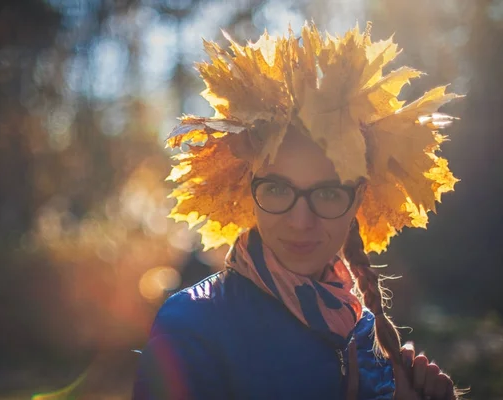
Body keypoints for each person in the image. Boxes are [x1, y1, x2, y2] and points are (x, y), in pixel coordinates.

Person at [133, 22, 463, 400]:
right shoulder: (193, 328)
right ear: (248, 188)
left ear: (357, 199)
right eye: (276, 188)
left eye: (326, 193)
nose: (300, 221)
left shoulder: (363, 333)